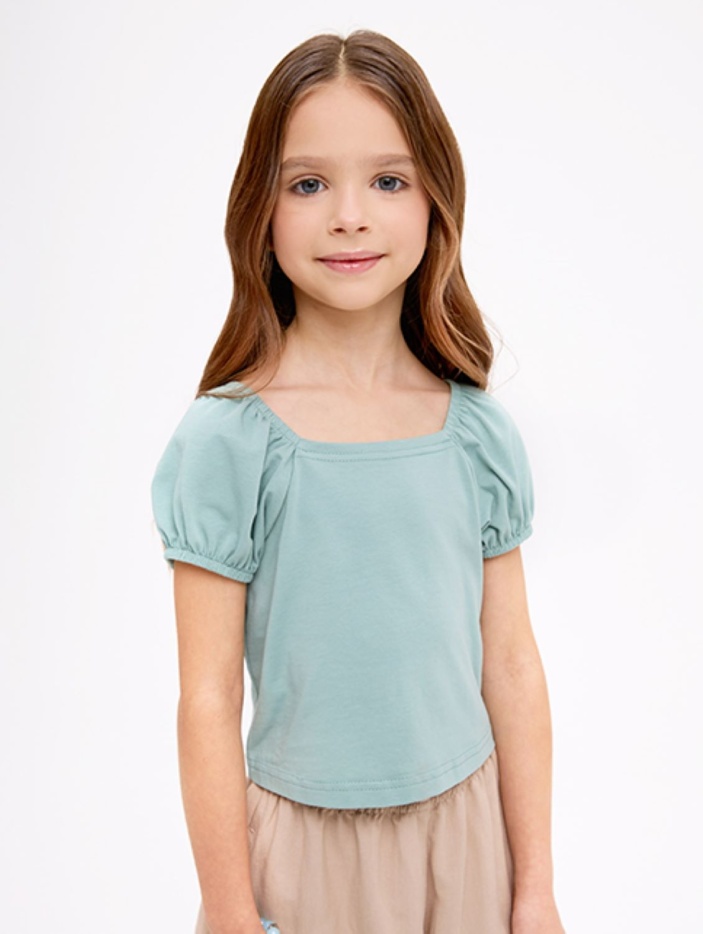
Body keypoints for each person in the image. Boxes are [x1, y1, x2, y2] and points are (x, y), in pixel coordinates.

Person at [150, 29, 566, 934]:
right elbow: (208, 700)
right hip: (299, 857)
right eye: (307, 184)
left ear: (435, 200)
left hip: (466, 842)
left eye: (387, 180)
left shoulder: (476, 434)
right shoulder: (229, 439)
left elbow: (511, 664)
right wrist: (229, 909)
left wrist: (533, 888)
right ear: (260, 209)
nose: (349, 216)